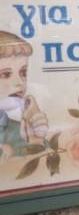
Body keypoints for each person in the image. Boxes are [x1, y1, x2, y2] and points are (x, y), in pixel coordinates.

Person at [0, 31, 48, 160]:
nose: (20, 83)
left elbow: (44, 151)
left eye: (23, 73)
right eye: (5, 74)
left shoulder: (15, 127)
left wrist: (36, 137)